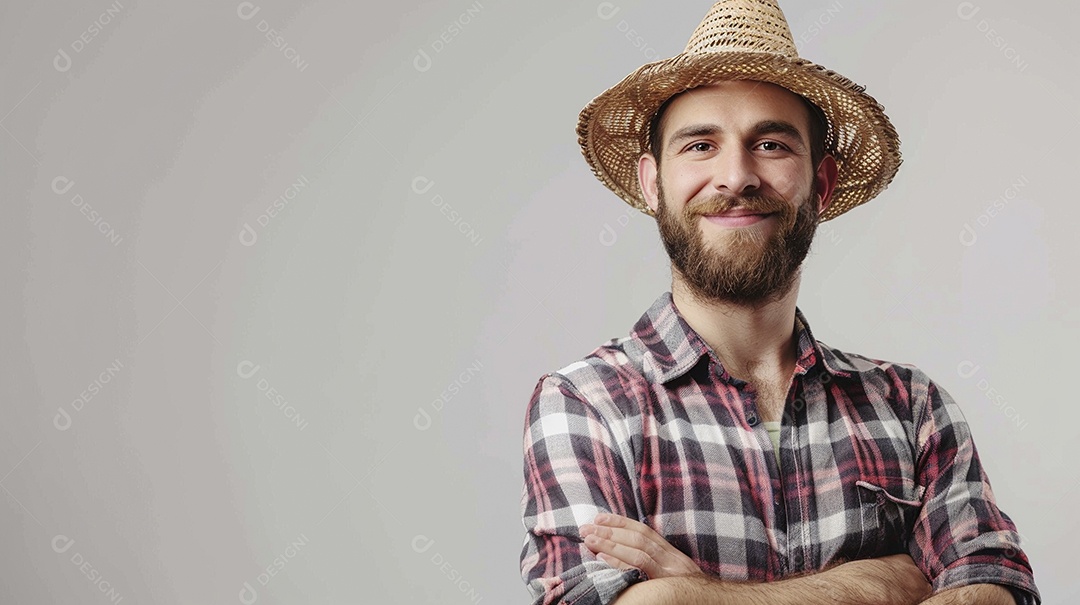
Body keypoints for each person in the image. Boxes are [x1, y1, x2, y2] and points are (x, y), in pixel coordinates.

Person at [518, 1, 1040, 604]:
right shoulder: (586, 405)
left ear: (821, 183)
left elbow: (996, 590)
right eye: (699, 146)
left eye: (769, 144)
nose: (736, 176)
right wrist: (891, 578)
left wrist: (699, 593)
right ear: (653, 182)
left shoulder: (912, 407)